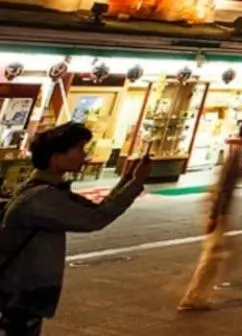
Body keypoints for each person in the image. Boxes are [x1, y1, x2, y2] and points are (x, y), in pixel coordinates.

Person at [0, 123, 151, 334]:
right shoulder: (42, 198)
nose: (84, 155)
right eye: (79, 148)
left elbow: (97, 210)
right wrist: (135, 183)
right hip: (20, 291)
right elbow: (95, 219)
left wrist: (128, 179)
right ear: (56, 158)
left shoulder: (48, 190)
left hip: (23, 290)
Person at [178, 148, 242, 311]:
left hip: (219, 215)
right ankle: (192, 297)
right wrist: (215, 216)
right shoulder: (233, 161)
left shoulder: (233, 159)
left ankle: (196, 295)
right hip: (219, 216)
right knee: (211, 258)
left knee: (213, 257)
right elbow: (223, 191)